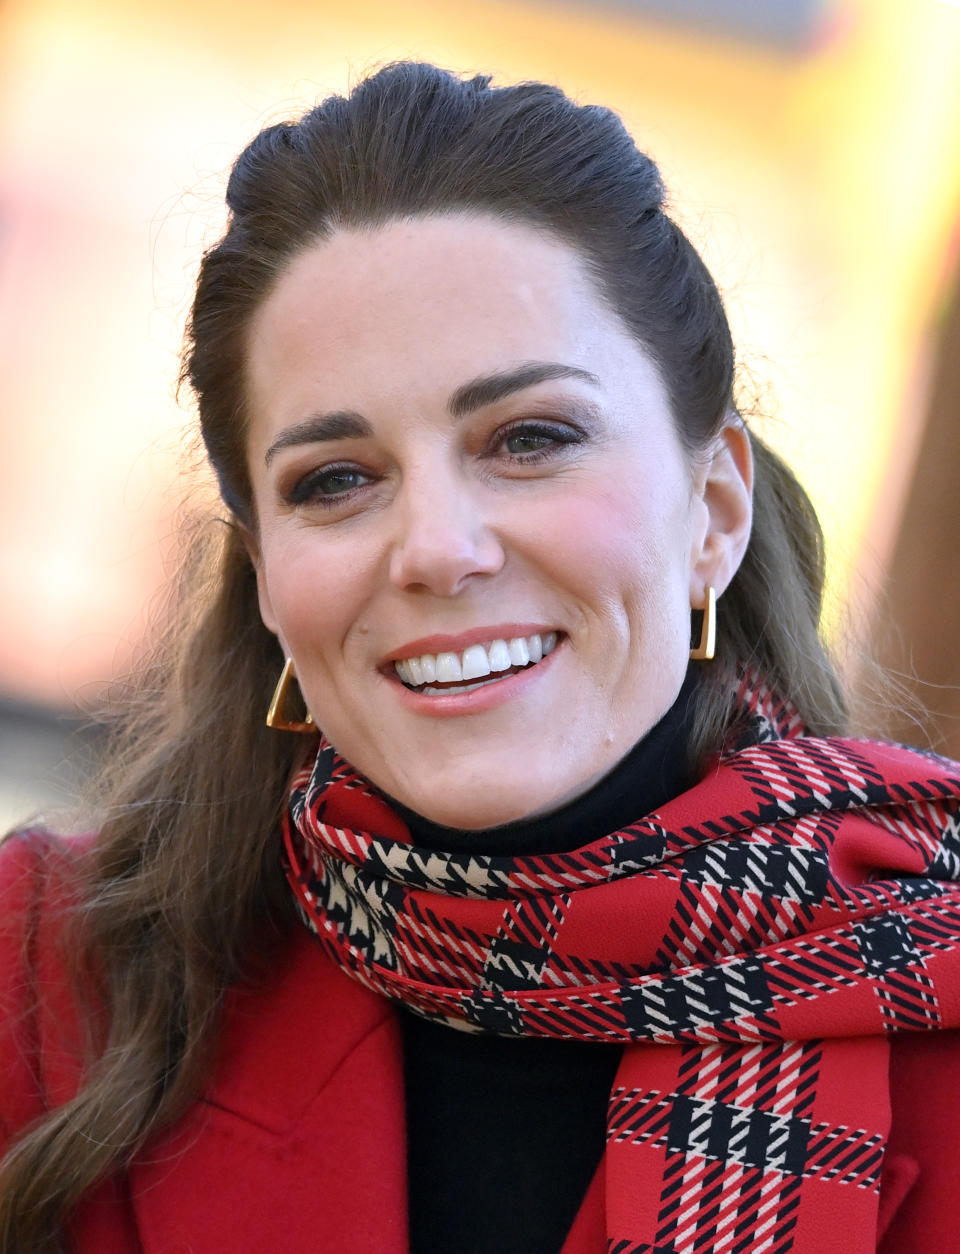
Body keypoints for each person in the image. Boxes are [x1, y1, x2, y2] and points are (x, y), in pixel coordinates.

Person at [1, 61, 959, 1254]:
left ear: (714, 510)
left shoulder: (929, 996)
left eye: (530, 439)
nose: (438, 551)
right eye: (336, 481)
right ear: (262, 576)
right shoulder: (43, 978)